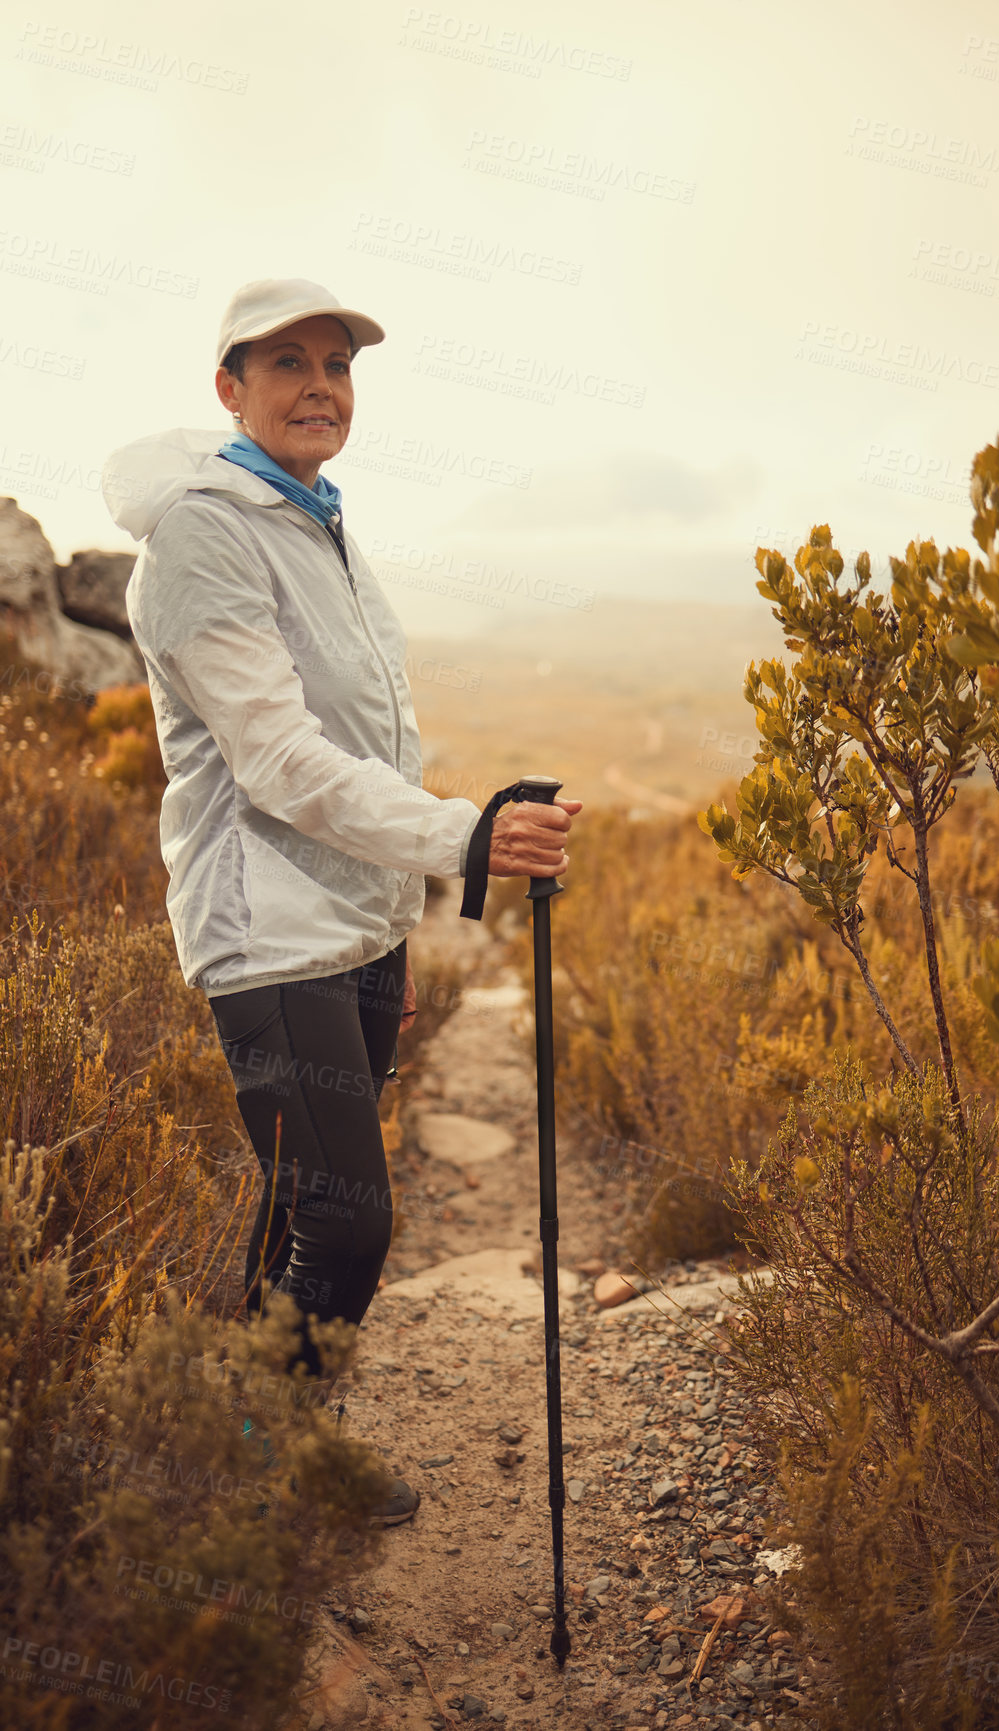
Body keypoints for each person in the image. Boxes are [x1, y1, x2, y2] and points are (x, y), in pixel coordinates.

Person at [103, 278, 580, 1523]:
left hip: (345, 932)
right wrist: (464, 838)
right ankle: (271, 1471)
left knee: (299, 1205)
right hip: (268, 938)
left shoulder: (317, 517)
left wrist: (393, 927)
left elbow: (374, 737)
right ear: (229, 387)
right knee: (351, 1222)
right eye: (289, 365)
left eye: (340, 366)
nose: (322, 385)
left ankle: (244, 1445)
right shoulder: (210, 533)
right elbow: (277, 761)